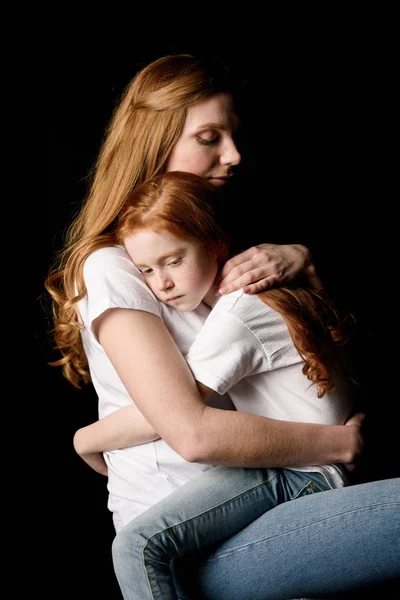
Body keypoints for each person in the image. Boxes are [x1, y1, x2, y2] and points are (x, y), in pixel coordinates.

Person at [44, 53, 398, 598]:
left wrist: (307, 267)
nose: (233, 156)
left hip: (270, 496)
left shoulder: (207, 260)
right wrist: (335, 445)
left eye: (233, 135)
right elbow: (191, 430)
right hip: (187, 537)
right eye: (209, 137)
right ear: (154, 145)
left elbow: (326, 373)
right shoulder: (116, 265)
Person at [76, 169, 364, 599]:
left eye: (174, 261)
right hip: (307, 467)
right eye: (146, 271)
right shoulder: (265, 294)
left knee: (138, 545)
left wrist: (86, 439)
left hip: (298, 471)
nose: (162, 285)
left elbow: (172, 414)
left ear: (216, 243)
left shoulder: (235, 316)